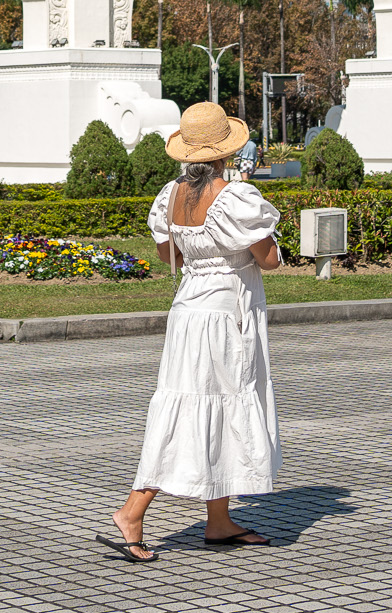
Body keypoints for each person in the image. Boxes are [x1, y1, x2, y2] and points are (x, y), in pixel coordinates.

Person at [100, 102, 282, 563]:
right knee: (201, 408)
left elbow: (169, 257)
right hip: (223, 315)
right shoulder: (235, 197)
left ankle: (218, 520)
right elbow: (269, 260)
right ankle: (132, 511)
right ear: (226, 151)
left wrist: (203, 256)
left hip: (187, 310)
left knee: (204, 403)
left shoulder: (172, 194)